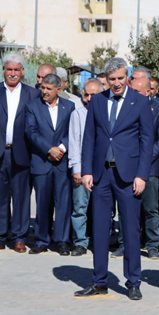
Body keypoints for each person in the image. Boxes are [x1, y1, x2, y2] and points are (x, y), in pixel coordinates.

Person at [75, 57, 153, 301]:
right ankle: (99, 281)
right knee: (99, 229)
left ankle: (133, 282)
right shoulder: (97, 101)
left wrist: (141, 175)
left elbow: (146, 141)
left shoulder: (140, 102)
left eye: (121, 78)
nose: (117, 83)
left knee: (130, 229)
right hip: (101, 175)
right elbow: (89, 137)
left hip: (128, 176)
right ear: (105, 80)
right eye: (112, 79)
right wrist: (87, 170)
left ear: (127, 77)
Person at [0, 53, 41, 252]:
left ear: (22, 71)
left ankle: (19, 237)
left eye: (16, 69)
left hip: (22, 152)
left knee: (22, 196)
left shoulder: (32, 94)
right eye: (9, 69)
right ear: (3, 71)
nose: (13, 73)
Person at [25, 73, 75, 255]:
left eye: (48, 89)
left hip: (62, 162)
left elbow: (74, 131)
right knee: (43, 203)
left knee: (63, 203)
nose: (44, 91)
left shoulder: (69, 106)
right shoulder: (32, 106)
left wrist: (61, 147)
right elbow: (31, 132)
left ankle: (62, 240)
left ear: (59, 89)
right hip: (42, 162)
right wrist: (49, 149)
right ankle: (41, 239)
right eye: (42, 88)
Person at [129, 76, 159, 260]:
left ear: (148, 92)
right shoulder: (126, 108)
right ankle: (127, 243)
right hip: (128, 166)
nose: (133, 94)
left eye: (137, 91)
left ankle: (152, 245)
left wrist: (144, 159)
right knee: (128, 209)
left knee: (151, 209)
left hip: (150, 167)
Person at [68, 78, 103, 256]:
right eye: (86, 94)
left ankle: (100, 240)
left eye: (93, 95)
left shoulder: (107, 113)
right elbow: (74, 142)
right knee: (80, 208)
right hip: (83, 168)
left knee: (101, 208)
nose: (88, 98)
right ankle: (80, 241)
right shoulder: (78, 114)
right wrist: (76, 169)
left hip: (103, 169)